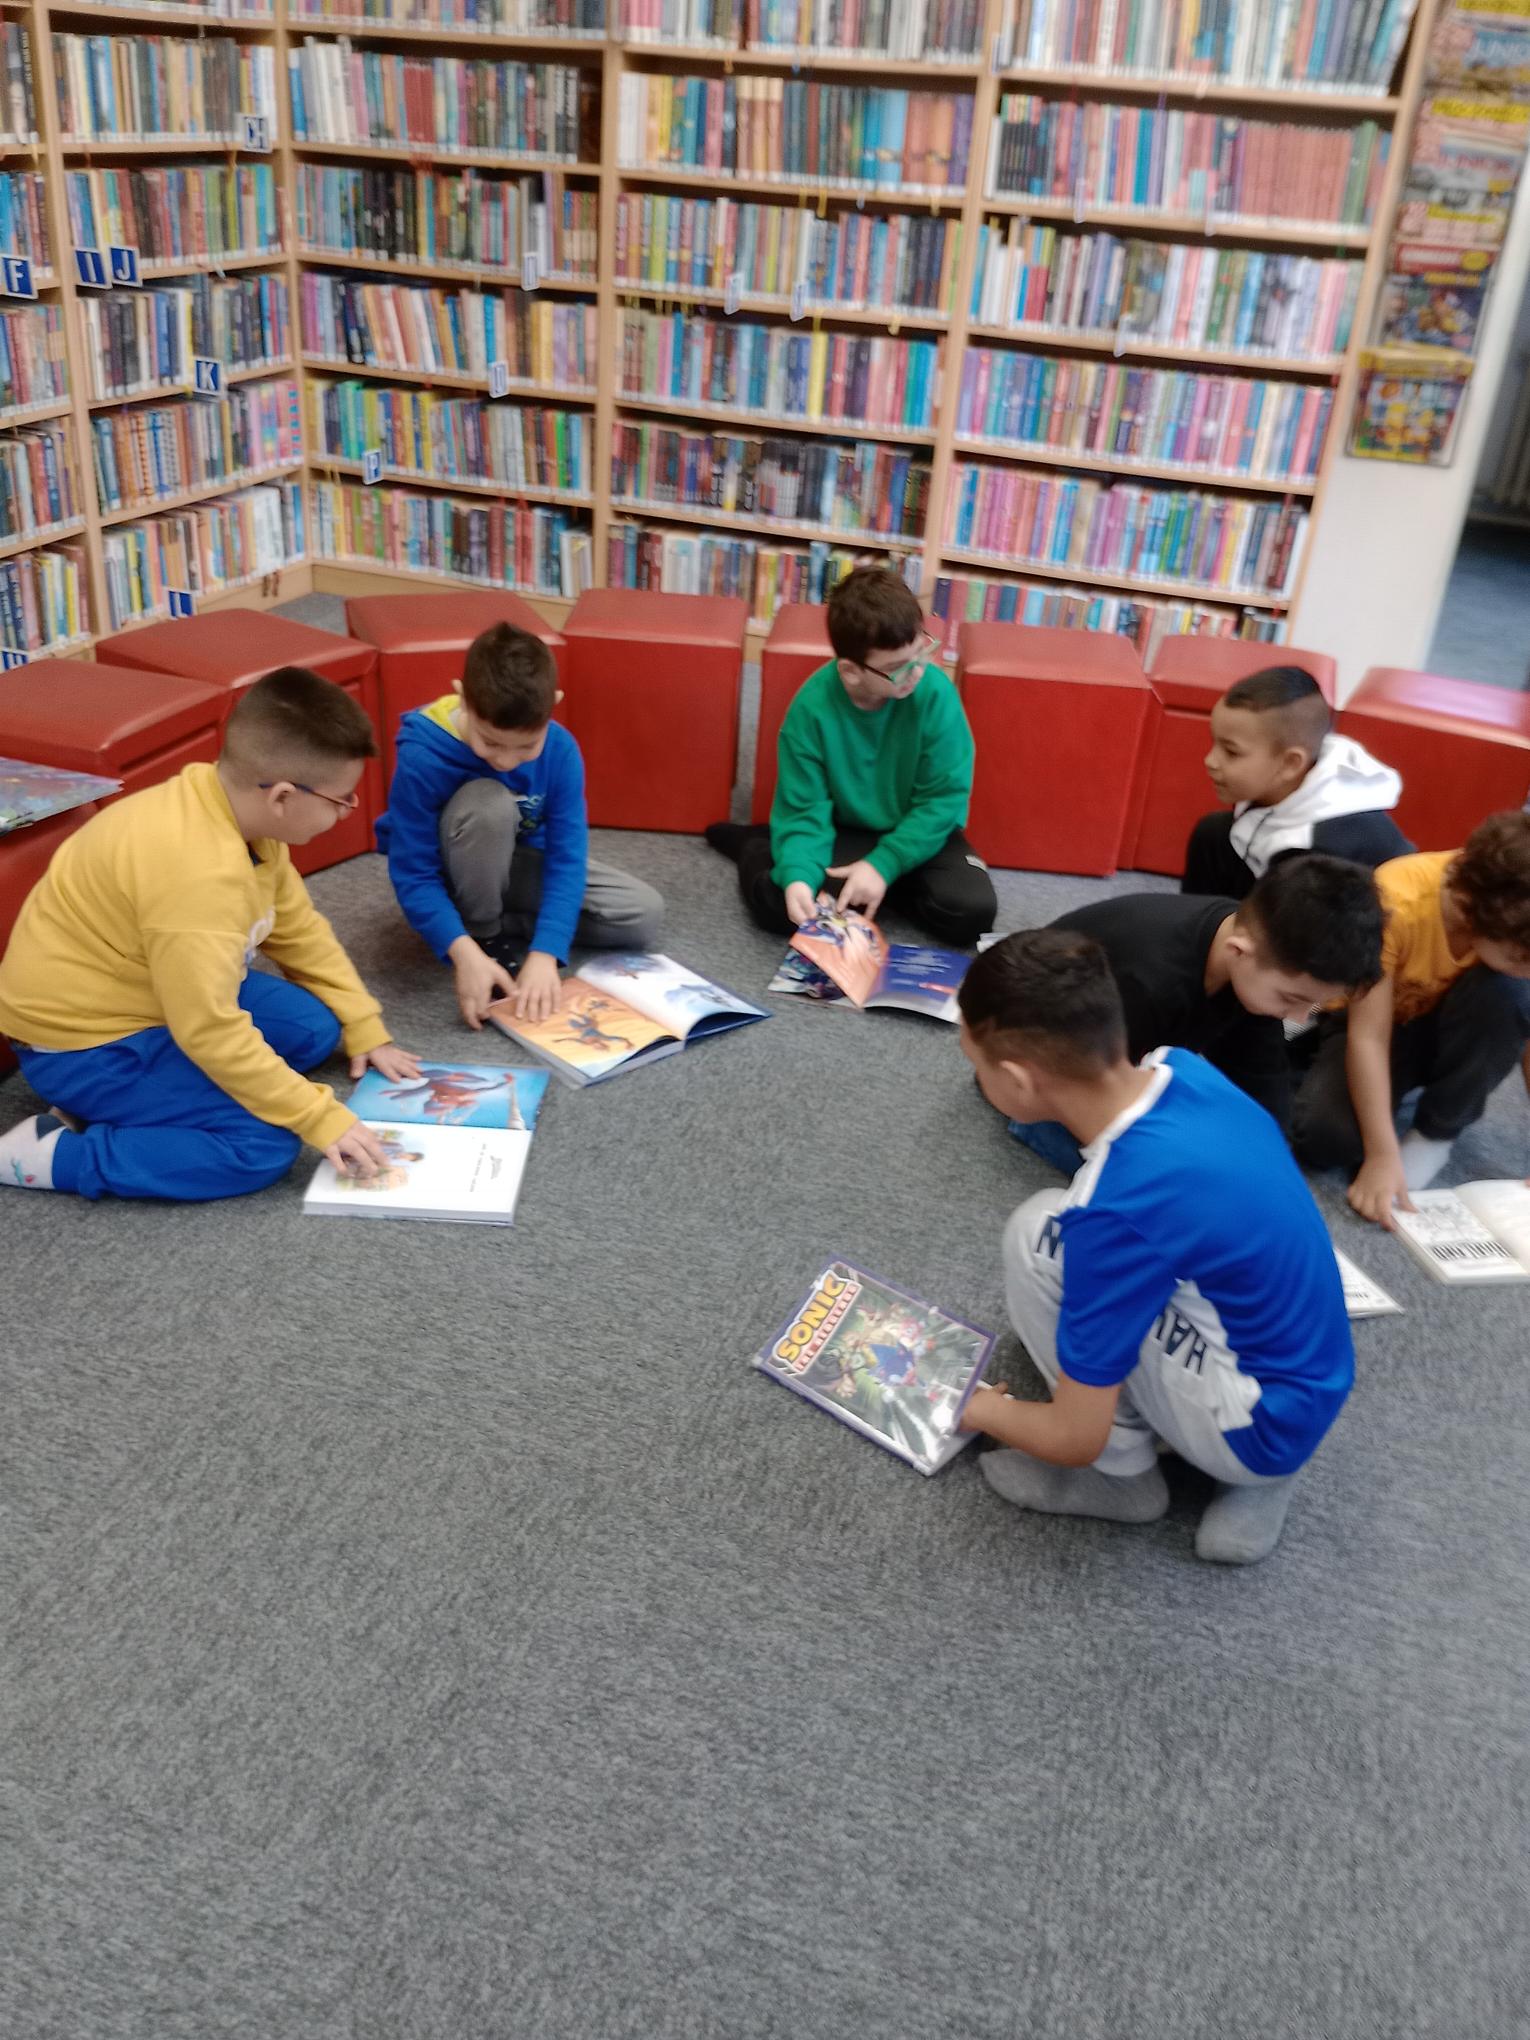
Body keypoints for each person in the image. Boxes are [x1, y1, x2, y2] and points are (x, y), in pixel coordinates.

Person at [958, 929, 1354, 1565]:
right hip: (1310, 1375)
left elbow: (1072, 1436)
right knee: (1051, 1226)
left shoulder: (1115, 1214)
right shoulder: (1180, 1068)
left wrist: (980, 1410)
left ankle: (1123, 1482)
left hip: (1259, 1425)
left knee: (1036, 1237)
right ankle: (1247, 1459)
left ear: (1017, 1080)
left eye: (977, 1066)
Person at [0, 666, 419, 1201]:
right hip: (84, 1044)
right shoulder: (198, 877)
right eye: (342, 800)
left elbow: (300, 933)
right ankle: (54, 1155)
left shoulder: (233, 809)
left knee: (313, 1028)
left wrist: (364, 1025)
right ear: (283, 796)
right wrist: (319, 1117)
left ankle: (139, 1104)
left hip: (152, 993)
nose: (346, 813)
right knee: (262, 1144)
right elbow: (207, 1028)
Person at [1008, 853, 1385, 1172]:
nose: (1299, 1018)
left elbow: (1262, 1076)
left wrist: (1273, 1160)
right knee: (1158, 1178)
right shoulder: (1150, 982)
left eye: (1311, 1005)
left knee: (1218, 1147)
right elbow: (1092, 1089)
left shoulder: (1252, 958)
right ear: (1239, 952)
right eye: (1292, 999)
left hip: (1127, 1041)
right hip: (1039, 1053)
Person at [377, 621, 664, 1031]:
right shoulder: (424, 755)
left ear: (554, 705)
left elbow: (567, 857)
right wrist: (463, 952)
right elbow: (413, 870)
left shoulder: (561, 749)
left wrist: (545, 951)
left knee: (642, 913)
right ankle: (480, 933)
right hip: (454, 869)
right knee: (489, 803)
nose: (506, 761)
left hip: (518, 863)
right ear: (464, 698)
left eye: (527, 746)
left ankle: (502, 924)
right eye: (491, 742)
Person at [705, 565, 997, 946]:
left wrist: (884, 865)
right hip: (843, 829)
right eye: (897, 668)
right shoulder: (810, 711)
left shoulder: (936, 693)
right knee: (782, 902)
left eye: (921, 650)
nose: (916, 671)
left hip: (920, 827)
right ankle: (757, 845)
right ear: (850, 671)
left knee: (973, 912)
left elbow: (944, 799)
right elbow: (804, 810)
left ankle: (876, 886)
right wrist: (798, 876)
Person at [1292, 813, 1530, 1223]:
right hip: (1368, 1023)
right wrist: (1381, 1155)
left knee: (1513, 993)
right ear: (1471, 913)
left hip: (1453, 1024)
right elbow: (1368, 1037)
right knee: (1325, 1139)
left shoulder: (1515, 922)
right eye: (1519, 958)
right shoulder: (1396, 901)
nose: (1526, 969)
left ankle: (1435, 1134)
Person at [1181, 665, 1411, 900]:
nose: (1210, 761)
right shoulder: (1293, 773)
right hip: (1285, 868)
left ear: (1291, 763)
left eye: (1231, 752)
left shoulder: (1317, 855)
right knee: (1213, 834)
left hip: (1328, 909)